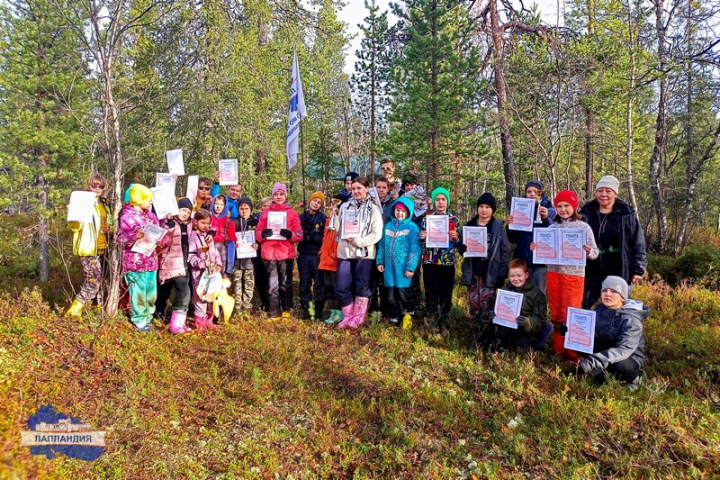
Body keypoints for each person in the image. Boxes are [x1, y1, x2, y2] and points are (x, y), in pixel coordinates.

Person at [531, 190, 599, 360]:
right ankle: (559, 348)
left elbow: (596, 253)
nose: (563, 209)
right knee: (556, 312)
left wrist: (589, 251)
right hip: (553, 273)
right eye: (559, 206)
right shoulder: (552, 227)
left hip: (574, 276)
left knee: (572, 314)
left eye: (567, 205)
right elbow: (547, 251)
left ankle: (573, 353)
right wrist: (537, 249)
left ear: (574, 206)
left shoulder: (583, 227)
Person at [579, 175, 647, 309]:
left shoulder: (626, 214)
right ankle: (585, 330)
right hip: (591, 268)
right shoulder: (586, 212)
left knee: (615, 306)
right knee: (583, 304)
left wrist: (638, 269)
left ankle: (614, 329)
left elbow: (638, 242)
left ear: (615, 194)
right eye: (600, 190)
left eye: (608, 191)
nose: (603, 194)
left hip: (618, 267)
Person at [577, 276, 649, 389]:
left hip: (628, 357)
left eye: (614, 291)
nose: (608, 294)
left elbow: (623, 350)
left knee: (620, 364)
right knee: (579, 343)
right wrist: (570, 331)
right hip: (608, 349)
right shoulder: (600, 308)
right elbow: (589, 330)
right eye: (604, 290)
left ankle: (635, 379)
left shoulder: (631, 320)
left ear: (623, 298)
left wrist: (593, 361)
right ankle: (602, 372)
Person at [459, 193, 510, 347]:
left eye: (488, 207)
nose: (484, 210)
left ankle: (488, 338)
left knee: (488, 306)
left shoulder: (498, 227)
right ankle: (477, 336)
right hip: (473, 273)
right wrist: (461, 248)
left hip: (491, 273)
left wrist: (502, 273)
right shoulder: (468, 226)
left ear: (492, 209)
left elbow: (504, 252)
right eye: (481, 206)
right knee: (475, 306)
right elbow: (463, 251)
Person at [334, 177, 384, 329]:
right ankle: (348, 316)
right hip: (345, 253)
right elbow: (339, 230)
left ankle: (358, 318)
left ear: (367, 189)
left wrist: (357, 241)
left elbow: (377, 235)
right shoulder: (344, 206)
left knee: (361, 287)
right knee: (342, 286)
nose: (355, 191)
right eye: (353, 188)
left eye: (359, 188)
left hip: (364, 254)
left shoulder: (374, 209)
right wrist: (334, 219)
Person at [65, 174, 114, 317]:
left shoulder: (105, 204)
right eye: (94, 185)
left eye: (101, 186)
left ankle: (95, 309)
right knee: (94, 280)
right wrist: (72, 213)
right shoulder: (80, 201)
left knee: (101, 280)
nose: (97, 189)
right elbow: (74, 227)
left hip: (103, 247)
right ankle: (74, 311)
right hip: (88, 248)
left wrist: (109, 229)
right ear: (88, 185)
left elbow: (110, 224)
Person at [255, 183, 302, 320]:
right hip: (269, 254)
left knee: (285, 283)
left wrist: (290, 235)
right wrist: (263, 234)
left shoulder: (292, 213)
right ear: (272, 196)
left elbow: (299, 234)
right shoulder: (265, 213)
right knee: (271, 285)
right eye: (276, 194)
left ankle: (286, 310)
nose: (279, 196)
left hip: (285, 253)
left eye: (281, 194)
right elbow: (257, 232)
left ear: (285, 196)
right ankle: (273, 312)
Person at [117, 184, 160, 332]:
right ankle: (140, 321)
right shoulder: (126, 217)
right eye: (148, 200)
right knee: (138, 292)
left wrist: (161, 239)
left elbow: (157, 232)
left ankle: (148, 318)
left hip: (151, 260)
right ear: (138, 199)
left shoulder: (151, 216)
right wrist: (133, 237)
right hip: (135, 262)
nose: (150, 203)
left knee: (151, 293)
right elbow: (119, 240)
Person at [419, 187, 461, 334]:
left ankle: (442, 322)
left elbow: (460, 244)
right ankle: (431, 320)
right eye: (437, 199)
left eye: (443, 199)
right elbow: (421, 243)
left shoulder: (454, 220)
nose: (440, 202)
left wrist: (456, 238)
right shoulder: (426, 220)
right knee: (431, 293)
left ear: (447, 202)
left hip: (447, 262)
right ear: (434, 202)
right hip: (430, 262)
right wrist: (422, 238)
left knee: (445, 294)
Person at [376, 197, 421, 328]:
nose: (399, 213)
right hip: (389, 268)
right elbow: (382, 245)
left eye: (402, 211)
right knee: (390, 296)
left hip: (403, 268)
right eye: (397, 210)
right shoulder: (388, 226)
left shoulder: (412, 227)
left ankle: (408, 318)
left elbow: (415, 249)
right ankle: (394, 319)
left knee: (404, 294)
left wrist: (411, 268)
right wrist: (380, 261)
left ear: (407, 212)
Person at [505, 180, 555, 294]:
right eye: (529, 192)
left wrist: (546, 218)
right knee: (520, 294)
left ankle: (538, 312)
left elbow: (553, 233)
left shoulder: (549, 210)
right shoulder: (519, 210)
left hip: (540, 263)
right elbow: (513, 238)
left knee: (538, 294)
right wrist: (509, 226)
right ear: (525, 194)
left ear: (541, 194)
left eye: (535, 191)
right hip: (522, 261)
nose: (532, 194)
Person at [488, 259, 550, 351]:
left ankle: (539, 342)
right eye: (512, 276)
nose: (516, 279)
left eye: (519, 275)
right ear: (508, 276)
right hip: (507, 327)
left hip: (527, 330)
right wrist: (493, 316)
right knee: (496, 345)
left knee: (522, 349)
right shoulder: (504, 291)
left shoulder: (537, 294)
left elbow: (540, 321)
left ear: (526, 275)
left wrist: (526, 322)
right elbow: (496, 311)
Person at [157, 198, 194, 334]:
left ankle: (180, 323)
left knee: (183, 293)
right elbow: (162, 242)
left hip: (184, 264)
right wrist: (169, 227)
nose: (185, 213)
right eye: (183, 210)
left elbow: (206, 222)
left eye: (188, 211)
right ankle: (174, 326)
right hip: (172, 264)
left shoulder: (191, 224)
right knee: (184, 293)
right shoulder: (169, 223)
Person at [187, 209, 223, 331]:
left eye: (208, 223)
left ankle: (209, 320)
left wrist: (218, 264)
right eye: (203, 223)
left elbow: (215, 252)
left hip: (212, 274)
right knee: (200, 297)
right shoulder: (192, 238)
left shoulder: (208, 237)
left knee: (211, 296)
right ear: (196, 222)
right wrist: (202, 263)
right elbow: (191, 257)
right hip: (199, 274)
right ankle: (199, 322)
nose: (206, 226)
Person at [298, 191, 326, 320]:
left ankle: (318, 310)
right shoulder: (301, 216)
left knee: (318, 283)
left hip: (317, 255)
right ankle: (308, 309)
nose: (316, 203)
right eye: (314, 200)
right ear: (310, 201)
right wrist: (302, 231)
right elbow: (295, 234)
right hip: (303, 254)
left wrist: (312, 235)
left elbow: (324, 238)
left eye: (319, 202)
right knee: (304, 283)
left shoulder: (323, 218)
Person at [320, 192, 347, 324]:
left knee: (338, 288)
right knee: (328, 287)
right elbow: (325, 240)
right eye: (331, 205)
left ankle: (340, 312)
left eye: (335, 205)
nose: (332, 208)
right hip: (325, 261)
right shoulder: (327, 222)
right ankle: (332, 312)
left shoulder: (343, 222)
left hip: (336, 261)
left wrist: (335, 254)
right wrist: (322, 252)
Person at [230, 197, 258, 318]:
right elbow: (229, 239)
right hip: (237, 260)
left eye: (246, 208)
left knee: (249, 284)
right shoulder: (233, 222)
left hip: (250, 261)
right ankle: (237, 309)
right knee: (237, 285)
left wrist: (257, 244)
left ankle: (246, 307)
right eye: (241, 208)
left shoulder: (255, 223)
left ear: (251, 210)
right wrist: (233, 243)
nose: (244, 210)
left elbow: (260, 238)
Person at [252, 196, 272, 312]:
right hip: (257, 251)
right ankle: (264, 301)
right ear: (260, 207)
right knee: (260, 278)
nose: (266, 208)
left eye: (268, 206)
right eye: (264, 206)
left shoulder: (276, 218)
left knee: (271, 278)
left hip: (271, 252)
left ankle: (272, 302)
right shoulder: (255, 219)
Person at [209, 194, 237, 277]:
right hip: (209, 254)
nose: (218, 206)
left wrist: (230, 264)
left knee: (222, 281)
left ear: (225, 206)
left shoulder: (229, 222)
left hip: (223, 254)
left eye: (221, 204)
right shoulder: (207, 219)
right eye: (216, 203)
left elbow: (231, 244)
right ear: (213, 204)